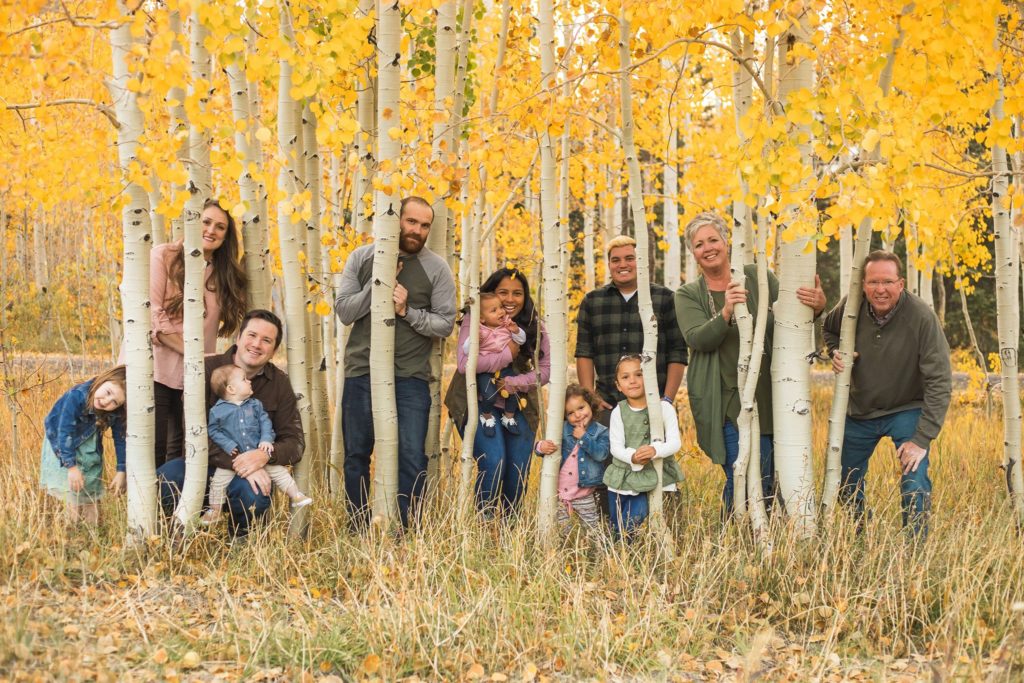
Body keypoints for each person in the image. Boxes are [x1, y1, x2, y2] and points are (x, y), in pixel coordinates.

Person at [675, 211, 825, 518]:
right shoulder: (688, 294)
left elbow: (788, 319)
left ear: (727, 242)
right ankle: (734, 536)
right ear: (693, 253)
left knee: (771, 473)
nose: (708, 248)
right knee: (742, 471)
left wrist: (817, 308)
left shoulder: (758, 277)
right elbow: (697, 339)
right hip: (726, 399)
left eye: (713, 239)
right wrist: (727, 310)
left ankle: (763, 538)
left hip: (771, 396)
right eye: (699, 244)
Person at [335, 196, 456, 529]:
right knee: (356, 455)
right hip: (362, 371)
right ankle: (357, 527)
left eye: (424, 225)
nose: (417, 230)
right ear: (396, 220)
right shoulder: (361, 258)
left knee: (411, 458)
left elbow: (445, 323)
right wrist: (378, 285)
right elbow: (344, 311)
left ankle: (407, 529)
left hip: (410, 377)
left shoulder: (437, 268)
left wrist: (407, 312)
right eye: (411, 221)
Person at [823, 250, 951, 536]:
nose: (880, 289)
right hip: (859, 410)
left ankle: (915, 551)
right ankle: (859, 535)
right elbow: (829, 330)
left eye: (888, 282)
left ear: (901, 284)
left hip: (906, 408)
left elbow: (940, 381)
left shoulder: (921, 317)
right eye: (873, 282)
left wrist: (921, 439)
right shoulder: (851, 306)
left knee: (914, 478)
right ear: (863, 285)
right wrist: (835, 351)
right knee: (844, 480)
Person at [158, 309, 305, 538]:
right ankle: (173, 536)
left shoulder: (279, 383)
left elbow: (294, 442)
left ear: (274, 350)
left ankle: (240, 547)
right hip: (202, 466)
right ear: (238, 338)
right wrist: (239, 461)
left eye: (266, 340)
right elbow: (194, 432)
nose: (257, 344)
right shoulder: (206, 370)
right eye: (252, 335)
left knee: (254, 494)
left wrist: (265, 456)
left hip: (249, 475)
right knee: (164, 480)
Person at [147, 198, 248, 467]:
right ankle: (150, 509)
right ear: (192, 222)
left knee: (182, 449)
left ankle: (179, 508)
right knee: (153, 447)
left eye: (220, 227)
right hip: (154, 368)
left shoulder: (222, 273)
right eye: (206, 222)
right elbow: (153, 317)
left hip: (193, 375)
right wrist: (195, 352)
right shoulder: (163, 256)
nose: (211, 230)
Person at [445, 267, 551, 517]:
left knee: (517, 471)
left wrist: (516, 382)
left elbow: (545, 371)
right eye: (503, 292)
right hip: (477, 403)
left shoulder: (535, 325)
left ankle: (509, 531)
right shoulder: (476, 317)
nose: (510, 299)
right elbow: (463, 364)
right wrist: (507, 355)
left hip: (520, 404)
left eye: (517, 293)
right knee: (494, 462)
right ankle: (485, 525)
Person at [575, 235, 688, 423]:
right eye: (615, 260)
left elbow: (678, 352)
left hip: (654, 406)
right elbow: (584, 353)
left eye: (629, 258)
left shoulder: (665, 299)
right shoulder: (592, 302)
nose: (622, 264)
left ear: (640, 262)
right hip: (608, 407)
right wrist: (590, 400)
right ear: (609, 264)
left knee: (655, 454)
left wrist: (666, 400)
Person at [201, 364, 312, 526]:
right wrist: (228, 444)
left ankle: (296, 495)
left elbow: (265, 423)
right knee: (218, 482)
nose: (249, 381)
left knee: (280, 473)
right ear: (231, 389)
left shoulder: (255, 405)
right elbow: (213, 431)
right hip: (233, 458)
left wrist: (266, 439)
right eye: (244, 379)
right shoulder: (217, 411)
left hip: (258, 454)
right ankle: (215, 510)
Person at [603, 355, 684, 539]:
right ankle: (617, 557)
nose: (632, 380)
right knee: (621, 527)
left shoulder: (664, 408)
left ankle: (661, 555)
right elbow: (616, 447)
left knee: (646, 519)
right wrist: (633, 457)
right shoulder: (618, 412)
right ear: (618, 385)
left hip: (657, 473)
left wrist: (656, 450)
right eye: (625, 377)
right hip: (625, 475)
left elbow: (675, 442)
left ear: (648, 377)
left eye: (638, 374)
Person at [39, 365, 127, 525]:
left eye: (114, 402)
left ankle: (92, 531)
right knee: (72, 490)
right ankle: (70, 531)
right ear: (102, 380)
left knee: (90, 487)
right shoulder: (77, 396)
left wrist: (122, 470)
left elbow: (120, 439)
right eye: (108, 392)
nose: (107, 401)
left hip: (89, 444)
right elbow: (64, 432)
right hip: (63, 442)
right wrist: (71, 467)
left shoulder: (116, 410)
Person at [534, 384, 610, 538]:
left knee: (592, 530)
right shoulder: (561, 429)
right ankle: (565, 557)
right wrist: (541, 447)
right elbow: (543, 447)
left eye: (581, 408)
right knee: (563, 533)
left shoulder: (601, 431)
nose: (578, 415)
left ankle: (597, 557)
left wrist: (584, 437)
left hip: (584, 493)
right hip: (559, 494)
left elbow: (601, 454)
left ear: (591, 404)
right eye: (570, 413)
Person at [466, 291, 527, 437]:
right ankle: (487, 417)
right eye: (494, 310)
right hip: (486, 372)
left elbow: (521, 340)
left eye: (500, 307)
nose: (500, 311)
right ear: (481, 318)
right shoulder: (479, 331)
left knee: (513, 390)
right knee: (489, 395)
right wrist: (475, 339)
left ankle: (508, 417)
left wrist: (516, 330)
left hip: (506, 368)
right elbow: (466, 350)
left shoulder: (507, 325)